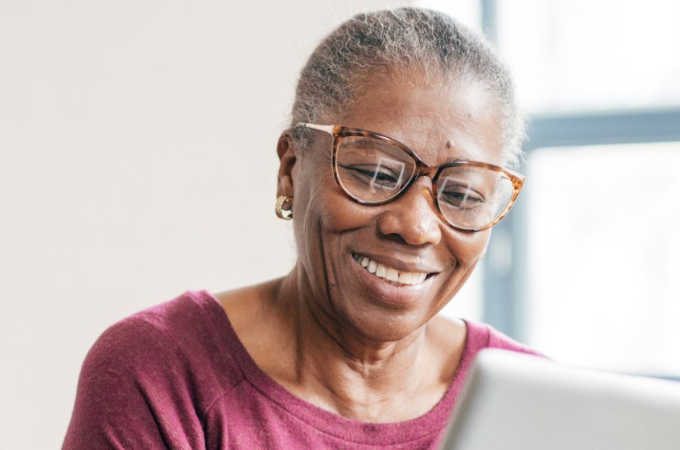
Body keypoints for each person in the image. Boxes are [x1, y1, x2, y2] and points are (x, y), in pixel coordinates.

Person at [63, 7, 540, 449]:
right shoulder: (159, 376)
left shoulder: (533, 405)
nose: (416, 227)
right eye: (374, 173)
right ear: (290, 170)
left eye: (461, 196)